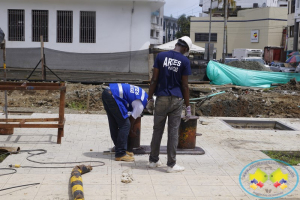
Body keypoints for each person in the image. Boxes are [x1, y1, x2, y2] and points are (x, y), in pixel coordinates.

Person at [146, 36, 192, 173]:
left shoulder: (161, 56)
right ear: (185, 48)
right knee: (173, 133)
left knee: (157, 130)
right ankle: (171, 165)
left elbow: (154, 79)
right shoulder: (184, 61)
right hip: (176, 100)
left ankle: (153, 161)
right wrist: (188, 106)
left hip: (161, 98)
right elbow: (184, 86)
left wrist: (150, 99)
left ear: (177, 44)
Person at [102, 83, 148, 162]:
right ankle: (120, 153)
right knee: (125, 125)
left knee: (114, 122)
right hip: (114, 95)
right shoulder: (141, 105)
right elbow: (131, 120)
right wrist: (131, 131)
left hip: (107, 92)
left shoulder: (143, 95)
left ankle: (119, 148)